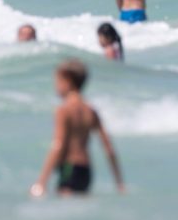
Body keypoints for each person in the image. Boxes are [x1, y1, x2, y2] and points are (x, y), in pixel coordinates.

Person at [30, 59, 124, 197]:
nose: (55, 86)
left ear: (67, 81)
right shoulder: (90, 110)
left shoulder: (64, 110)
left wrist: (41, 182)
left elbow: (59, 145)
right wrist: (119, 182)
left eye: (57, 81)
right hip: (86, 171)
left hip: (69, 167)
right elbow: (108, 147)